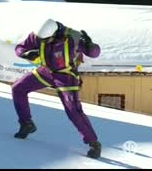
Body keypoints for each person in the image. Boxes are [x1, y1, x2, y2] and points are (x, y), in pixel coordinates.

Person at [12, 19, 102, 159]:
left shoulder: (72, 38)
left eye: (47, 40)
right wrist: (25, 53)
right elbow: (19, 48)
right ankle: (26, 124)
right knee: (18, 88)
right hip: (46, 72)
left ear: (55, 34)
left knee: (73, 110)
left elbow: (94, 53)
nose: (43, 42)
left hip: (66, 76)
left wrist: (92, 46)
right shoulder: (38, 35)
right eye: (41, 40)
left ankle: (93, 143)